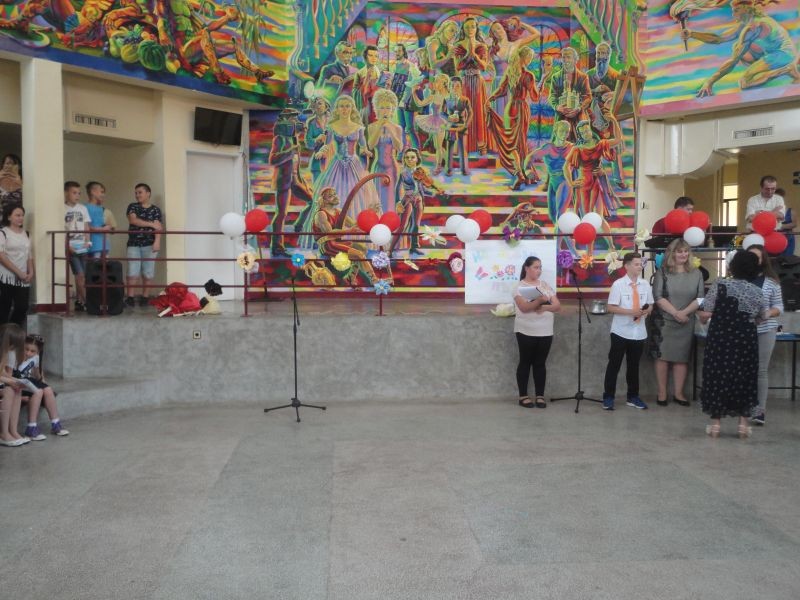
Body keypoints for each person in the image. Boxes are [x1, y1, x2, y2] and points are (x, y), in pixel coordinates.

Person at [697, 251, 767, 438]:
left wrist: (704, 319)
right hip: (746, 340)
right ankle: (743, 425)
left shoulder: (720, 285)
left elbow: (706, 310)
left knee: (718, 376)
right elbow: (762, 317)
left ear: (733, 266)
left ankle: (716, 425)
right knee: (745, 377)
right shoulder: (757, 291)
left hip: (720, 339)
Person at [681, 0, 800, 98]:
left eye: (736, 10)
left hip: (783, 55)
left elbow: (734, 60)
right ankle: (766, 71)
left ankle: (786, 70)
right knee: (737, 47)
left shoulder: (753, 27)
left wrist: (710, 81)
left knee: (745, 82)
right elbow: (719, 39)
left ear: (746, 9)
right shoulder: (748, 24)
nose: (733, 14)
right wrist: (692, 34)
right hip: (775, 53)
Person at [650, 239, 705, 407]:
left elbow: (700, 298)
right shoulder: (662, 272)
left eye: (686, 251)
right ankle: (662, 393)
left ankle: (679, 393)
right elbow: (658, 296)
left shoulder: (696, 273)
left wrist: (684, 313)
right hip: (665, 321)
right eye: (680, 251)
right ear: (672, 253)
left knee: (682, 358)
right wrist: (675, 313)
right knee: (663, 357)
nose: (683, 254)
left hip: (686, 321)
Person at [602, 252, 654, 411]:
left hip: (639, 332)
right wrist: (631, 312)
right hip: (620, 331)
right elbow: (611, 307)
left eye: (641, 264)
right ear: (627, 266)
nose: (640, 267)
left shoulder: (645, 284)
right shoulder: (618, 284)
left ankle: (633, 396)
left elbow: (651, 304)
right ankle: (608, 397)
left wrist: (647, 310)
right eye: (636, 264)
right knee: (614, 365)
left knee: (634, 366)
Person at [486, 46, 539, 190]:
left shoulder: (510, 72)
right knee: (519, 143)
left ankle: (521, 174)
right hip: (521, 109)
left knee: (511, 143)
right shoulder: (528, 76)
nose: (530, 60)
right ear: (524, 57)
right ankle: (522, 174)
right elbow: (535, 97)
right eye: (529, 57)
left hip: (510, 109)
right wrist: (538, 83)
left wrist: (490, 98)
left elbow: (501, 90)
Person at [513, 256, 560, 408]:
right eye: (535, 267)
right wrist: (539, 300)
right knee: (525, 362)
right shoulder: (519, 287)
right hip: (525, 330)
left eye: (540, 267)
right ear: (526, 268)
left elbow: (557, 306)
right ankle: (523, 396)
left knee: (540, 363)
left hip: (545, 330)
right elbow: (524, 308)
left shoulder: (544, 285)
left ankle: (540, 395)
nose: (538, 270)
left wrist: (543, 307)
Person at [312, 187, 378, 287]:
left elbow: (354, 224)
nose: (335, 197)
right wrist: (349, 231)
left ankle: (350, 277)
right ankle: (374, 279)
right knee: (359, 254)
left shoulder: (338, 212)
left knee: (362, 248)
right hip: (327, 244)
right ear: (324, 200)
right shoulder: (321, 214)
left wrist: (369, 213)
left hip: (338, 242)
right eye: (330, 196)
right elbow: (330, 233)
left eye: (334, 194)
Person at [269, 108, 313, 256]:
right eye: (293, 119)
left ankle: (299, 224)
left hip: (295, 180)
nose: (296, 122)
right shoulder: (279, 139)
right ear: (285, 120)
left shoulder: (294, 138)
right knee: (281, 213)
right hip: (283, 181)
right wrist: (290, 151)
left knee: (312, 201)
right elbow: (273, 160)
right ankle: (277, 246)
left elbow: (295, 164)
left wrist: (302, 180)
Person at [747, 244, 783, 426]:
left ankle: (759, 410)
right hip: (742, 330)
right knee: (743, 369)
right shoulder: (738, 279)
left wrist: (767, 313)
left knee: (761, 370)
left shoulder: (771, 282)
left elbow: (779, 307)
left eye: (757, 257)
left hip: (765, 330)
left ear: (763, 260)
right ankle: (743, 407)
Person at [18, 334, 69, 440]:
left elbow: (37, 374)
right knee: (38, 391)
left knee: (48, 389)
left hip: (27, 382)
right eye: (26, 349)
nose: (28, 353)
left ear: (37, 352)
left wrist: (43, 382)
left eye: (32, 351)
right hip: (18, 383)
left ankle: (55, 423)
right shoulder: (16, 356)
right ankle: (31, 427)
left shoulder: (36, 357)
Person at [453, 17, 490, 155]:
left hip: (477, 81)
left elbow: (484, 66)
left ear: (476, 28)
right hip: (464, 82)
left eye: (472, 26)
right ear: (463, 29)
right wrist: (467, 55)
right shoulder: (458, 45)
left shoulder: (482, 46)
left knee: (478, 111)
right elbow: (458, 66)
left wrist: (474, 55)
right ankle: (464, 144)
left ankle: (481, 144)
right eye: (467, 27)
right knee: (463, 110)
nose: (470, 29)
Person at [125, 183, 162, 307]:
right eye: (136, 193)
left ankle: (145, 297)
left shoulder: (156, 210)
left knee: (148, 272)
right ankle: (130, 297)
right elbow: (133, 220)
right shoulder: (132, 206)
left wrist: (157, 241)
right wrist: (151, 224)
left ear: (148, 193)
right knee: (132, 271)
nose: (137, 195)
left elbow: (159, 227)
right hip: (133, 244)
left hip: (150, 244)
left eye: (140, 192)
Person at [0, 203, 34, 326]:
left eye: (22, 215)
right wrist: (18, 272)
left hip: (23, 278)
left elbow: (29, 255)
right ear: (9, 217)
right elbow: (1, 256)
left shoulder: (26, 234)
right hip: (6, 277)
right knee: (4, 308)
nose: (21, 218)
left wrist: (31, 272)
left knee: (22, 307)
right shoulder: (3, 233)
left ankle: (12, 331)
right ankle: (3, 333)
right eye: (17, 215)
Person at [64, 180, 91, 312]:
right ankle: (88, 302)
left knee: (83, 275)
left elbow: (86, 227)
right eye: (74, 193)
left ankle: (80, 301)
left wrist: (88, 241)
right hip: (71, 246)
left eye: (79, 193)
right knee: (79, 274)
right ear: (66, 193)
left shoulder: (83, 208)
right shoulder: (62, 209)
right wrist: (67, 246)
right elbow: (62, 230)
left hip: (83, 245)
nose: (77, 196)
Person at [0, 323, 28, 446]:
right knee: (9, 390)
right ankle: (4, 433)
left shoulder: (8, 352)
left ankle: (13, 431)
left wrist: (16, 382)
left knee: (16, 389)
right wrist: (11, 381)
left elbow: (5, 373)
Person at [441, 77, 472, 177]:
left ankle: (464, 169)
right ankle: (448, 169)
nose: (455, 88)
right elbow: (442, 113)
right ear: (449, 87)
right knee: (450, 148)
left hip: (462, 126)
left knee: (462, 148)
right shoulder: (446, 99)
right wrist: (448, 117)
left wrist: (466, 125)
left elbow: (470, 113)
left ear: (461, 87)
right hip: (451, 127)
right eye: (452, 86)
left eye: (457, 86)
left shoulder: (465, 100)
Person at [85, 181, 116, 258]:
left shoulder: (100, 208)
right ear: (93, 192)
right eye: (101, 192)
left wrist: (108, 227)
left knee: (106, 264)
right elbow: (87, 227)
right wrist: (102, 229)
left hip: (104, 244)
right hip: (94, 245)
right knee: (95, 263)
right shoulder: (86, 208)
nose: (103, 195)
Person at [775, 188, 796, 255]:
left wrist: (780, 226)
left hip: (788, 239)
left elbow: (794, 224)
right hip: (775, 239)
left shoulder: (791, 211)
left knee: (788, 258)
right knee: (775, 258)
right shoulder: (771, 212)